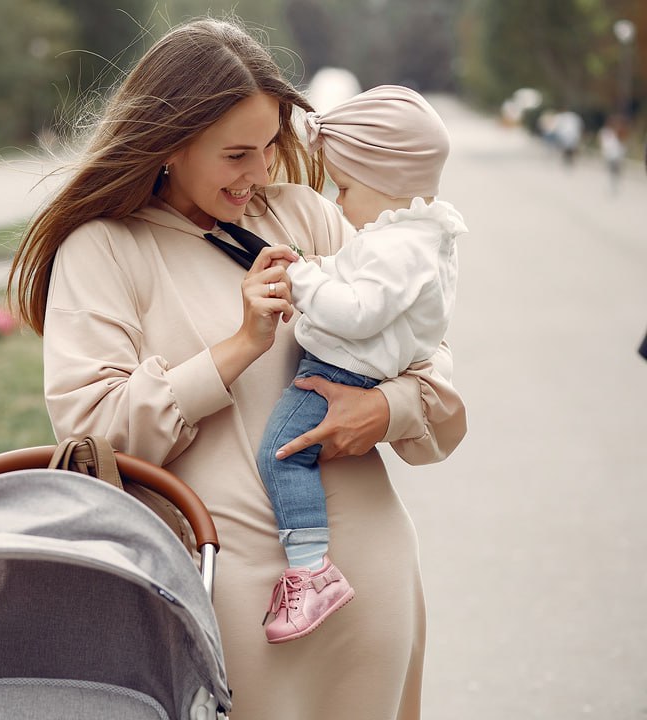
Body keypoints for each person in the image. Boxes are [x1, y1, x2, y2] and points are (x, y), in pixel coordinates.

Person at [7, 17, 466, 719]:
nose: (259, 173)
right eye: (236, 154)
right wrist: (238, 346)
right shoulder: (101, 251)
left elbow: (431, 372)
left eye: (270, 146)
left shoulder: (307, 217)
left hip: (370, 580)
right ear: (170, 144)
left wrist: (385, 411)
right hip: (224, 600)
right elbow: (96, 437)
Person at [255, 85, 468, 643]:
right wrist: (319, 266)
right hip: (357, 366)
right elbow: (360, 280)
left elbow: (356, 310)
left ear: (388, 183)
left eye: (344, 187)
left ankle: (310, 568)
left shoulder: (395, 247)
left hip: (340, 372)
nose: (338, 203)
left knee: (280, 454)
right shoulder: (416, 236)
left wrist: (301, 278)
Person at [597, 116, 627, 194]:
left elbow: (622, 141)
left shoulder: (617, 131)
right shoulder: (605, 132)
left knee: (615, 172)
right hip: (609, 155)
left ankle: (614, 186)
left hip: (616, 155)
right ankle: (611, 186)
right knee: (611, 172)